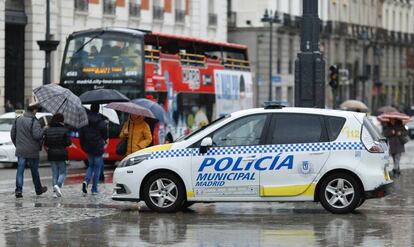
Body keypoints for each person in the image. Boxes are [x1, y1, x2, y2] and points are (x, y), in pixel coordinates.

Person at [11, 103, 47, 198]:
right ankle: (38, 190)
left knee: (20, 171)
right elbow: (37, 136)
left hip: (21, 150)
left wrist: (17, 145)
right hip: (32, 151)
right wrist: (43, 130)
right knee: (34, 171)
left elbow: (13, 134)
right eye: (36, 110)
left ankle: (18, 191)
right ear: (34, 110)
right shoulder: (34, 122)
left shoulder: (18, 119)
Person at [79, 104, 108, 195]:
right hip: (98, 147)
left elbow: (81, 135)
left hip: (88, 146)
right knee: (97, 168)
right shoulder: (101, 121)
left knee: (90, 166)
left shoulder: (85, 121)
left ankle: (86, 181)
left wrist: (83, 146)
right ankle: (94, 189)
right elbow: (105, 136)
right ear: (98, 110)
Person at [44, 113, 71, 198]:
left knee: (54, 173)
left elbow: (46, 143)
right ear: (61, 120)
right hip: (61, 153)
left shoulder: (48, 130)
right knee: (63, 172)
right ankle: (58, 186)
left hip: (51, 153)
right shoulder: (65, 130)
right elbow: (68, 143)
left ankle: (55, 192)